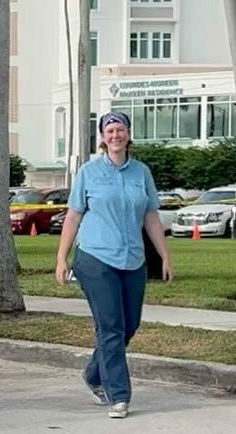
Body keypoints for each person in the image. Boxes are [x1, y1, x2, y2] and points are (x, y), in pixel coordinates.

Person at [54, 111, 172, 420]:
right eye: (110, 130)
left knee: (128, 325)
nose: (115, 135)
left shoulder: (141, 173)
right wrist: (61, 257)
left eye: (120, 130)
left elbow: (150, 216)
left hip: (133, 259)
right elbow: (74, 216)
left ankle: (94, 375)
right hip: (95, 258)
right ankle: (118, 395)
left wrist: (165, 256)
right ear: (102, 138)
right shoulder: (89, 172)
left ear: (129, 135)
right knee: (110, 326)